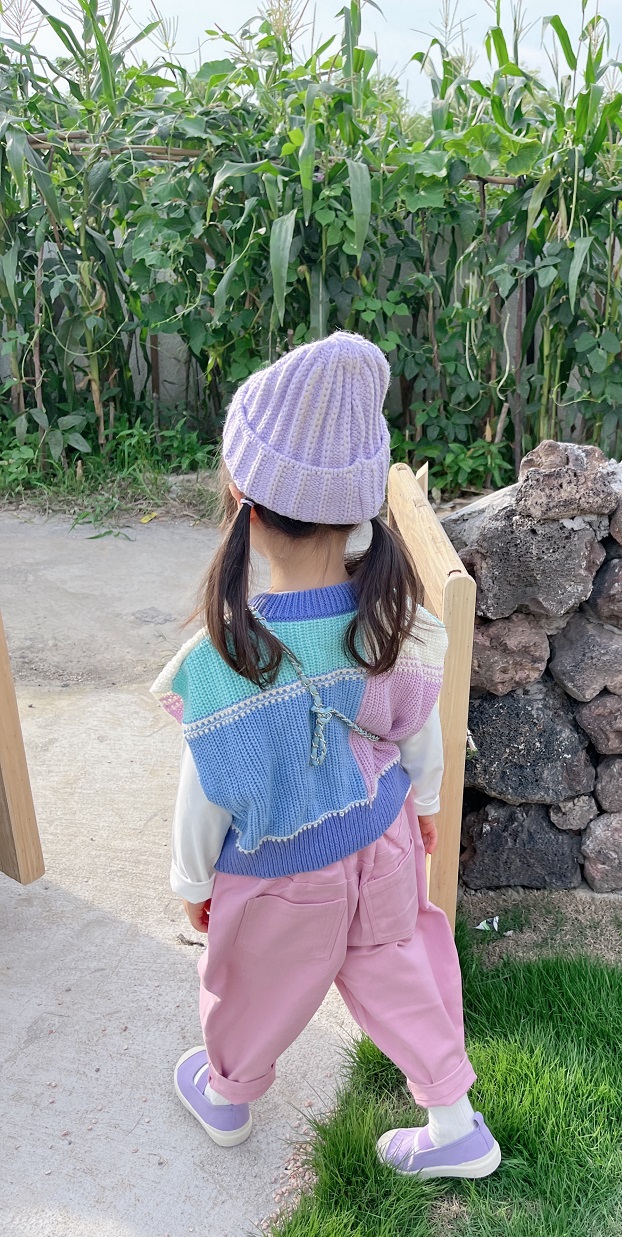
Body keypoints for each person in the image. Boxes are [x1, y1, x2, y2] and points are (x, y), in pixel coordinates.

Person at [151, 331, 500, 1181]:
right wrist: (424, 809)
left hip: (280, 875)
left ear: (243, 500)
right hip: (381, 840)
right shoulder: (396, 620)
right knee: (400, 967)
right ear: (358, 509)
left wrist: (193, 882)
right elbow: (420, 732)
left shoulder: (226, 662)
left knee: (251, 980)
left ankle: (228, 1094)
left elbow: (208, 794)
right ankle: (455, 1123)